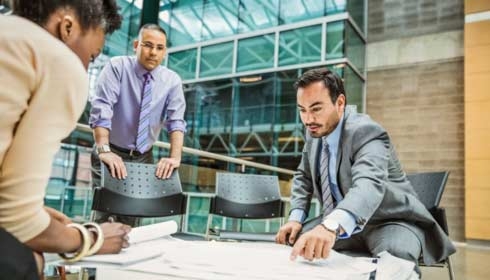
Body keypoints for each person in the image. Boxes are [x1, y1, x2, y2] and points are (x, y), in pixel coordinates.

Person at [275, 68, 456, 273]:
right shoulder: (314, 132)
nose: (308, 119)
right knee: (296, 244)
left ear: (340, 103)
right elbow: (304, 177)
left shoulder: (367, 132)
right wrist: (295, 218)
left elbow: (368, 183)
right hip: (342, 223)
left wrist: (329, 227)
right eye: (302, 110)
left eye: (316, 108)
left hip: (389, 220)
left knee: (396, 261)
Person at [0, 0, 130, 278]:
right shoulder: (57, 59)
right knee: (27, 259)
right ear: (67, 27)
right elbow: (18, 223)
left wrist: (35, 212)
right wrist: (91, 238)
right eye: (92, 58)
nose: (84, 68)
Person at [89, 23, 187, 227]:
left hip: (143, 157)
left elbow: (176, 121)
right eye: (148, 45)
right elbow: (102, 108)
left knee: (132, 220)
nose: (153, 52)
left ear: (165, 51)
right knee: (104, 217)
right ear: (136, 45)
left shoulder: (172, 81)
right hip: (110, 151)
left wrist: (174, 157)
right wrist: (104, 150)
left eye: (159, 48)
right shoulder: (118, 67)